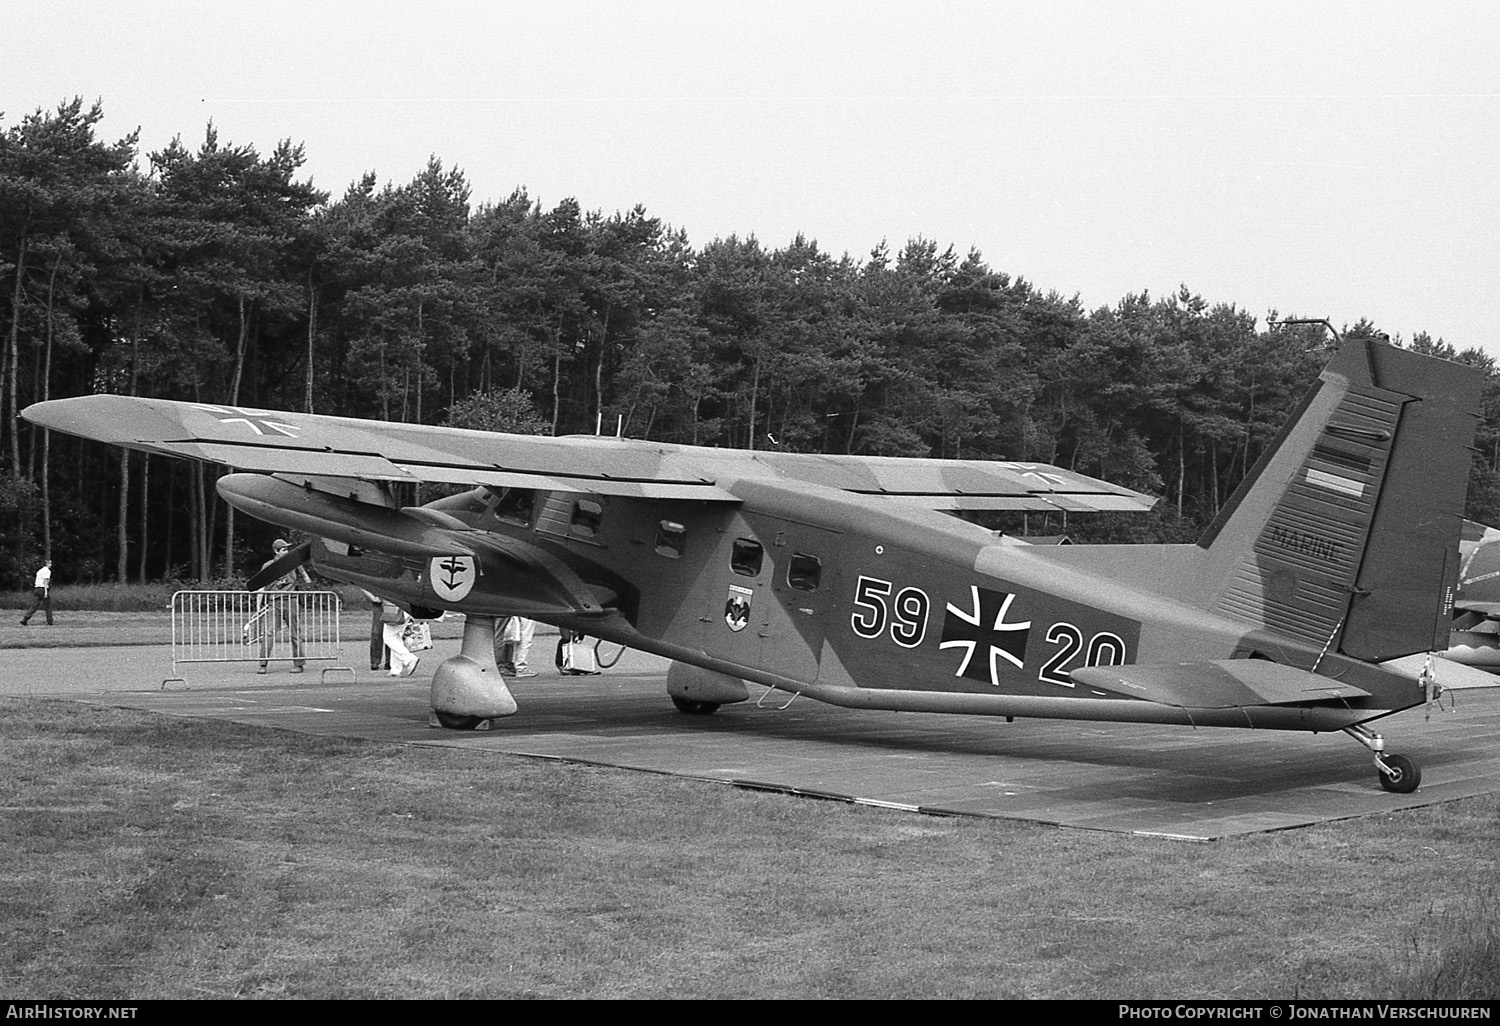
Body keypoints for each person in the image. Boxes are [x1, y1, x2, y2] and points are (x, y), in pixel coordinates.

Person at [256, 539, 309, 673]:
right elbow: (261, 586)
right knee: (269, 633)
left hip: (291, 600)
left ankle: (299, 664)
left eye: (287, 549)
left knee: (295, 633)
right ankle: (263, 664)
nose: (287, 552)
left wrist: (304, 582)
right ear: (276, 551)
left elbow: (306, 578)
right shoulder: (268, 565)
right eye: (284, 549)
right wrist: (258, 605)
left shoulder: (293, 562)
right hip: (275, 602)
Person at [379, 599, 421, 677]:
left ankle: (409, 659)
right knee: (396, 638)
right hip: (406, 609)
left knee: (388, 638)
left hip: (397, 608)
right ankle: (395, 669)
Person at [19, 559, 53, 626]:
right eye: (50, 563)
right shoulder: (47, 571)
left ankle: (25, 618)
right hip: (43, 589)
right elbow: (46, 581)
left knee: (34, 605)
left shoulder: (39, 571)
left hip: (37, 588)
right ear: (47, 564)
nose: (51, 564)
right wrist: (46, 592)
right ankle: (50, 621)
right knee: (47, 606)